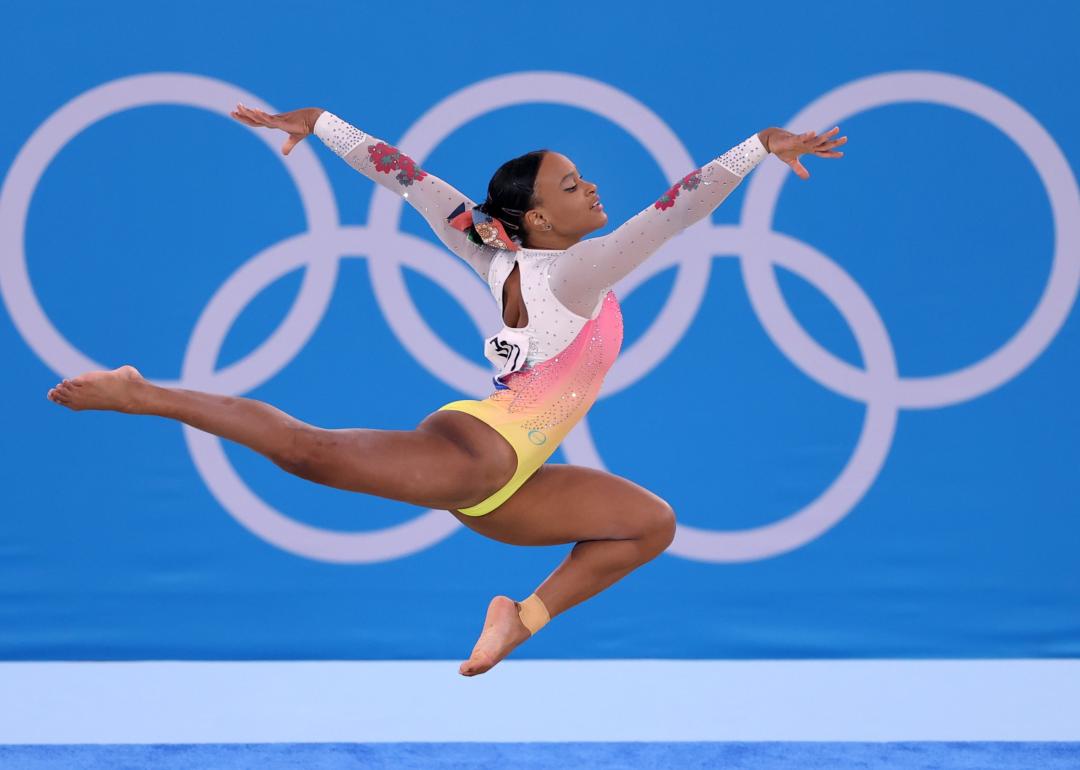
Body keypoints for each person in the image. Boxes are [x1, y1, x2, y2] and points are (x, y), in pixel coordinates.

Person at [46, 102, 845, 676]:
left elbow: (408, 178)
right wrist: (757, 148)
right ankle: (142, 392)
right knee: (306, 453)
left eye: (583, 179)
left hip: (513, 481)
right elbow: (675, 212)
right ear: (534, 218)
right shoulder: (573, 272)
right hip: (480, 452)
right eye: (571, 187)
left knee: (649, 525)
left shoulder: (498, 253)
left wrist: (322, 124)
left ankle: (517, 619)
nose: (591, 191)